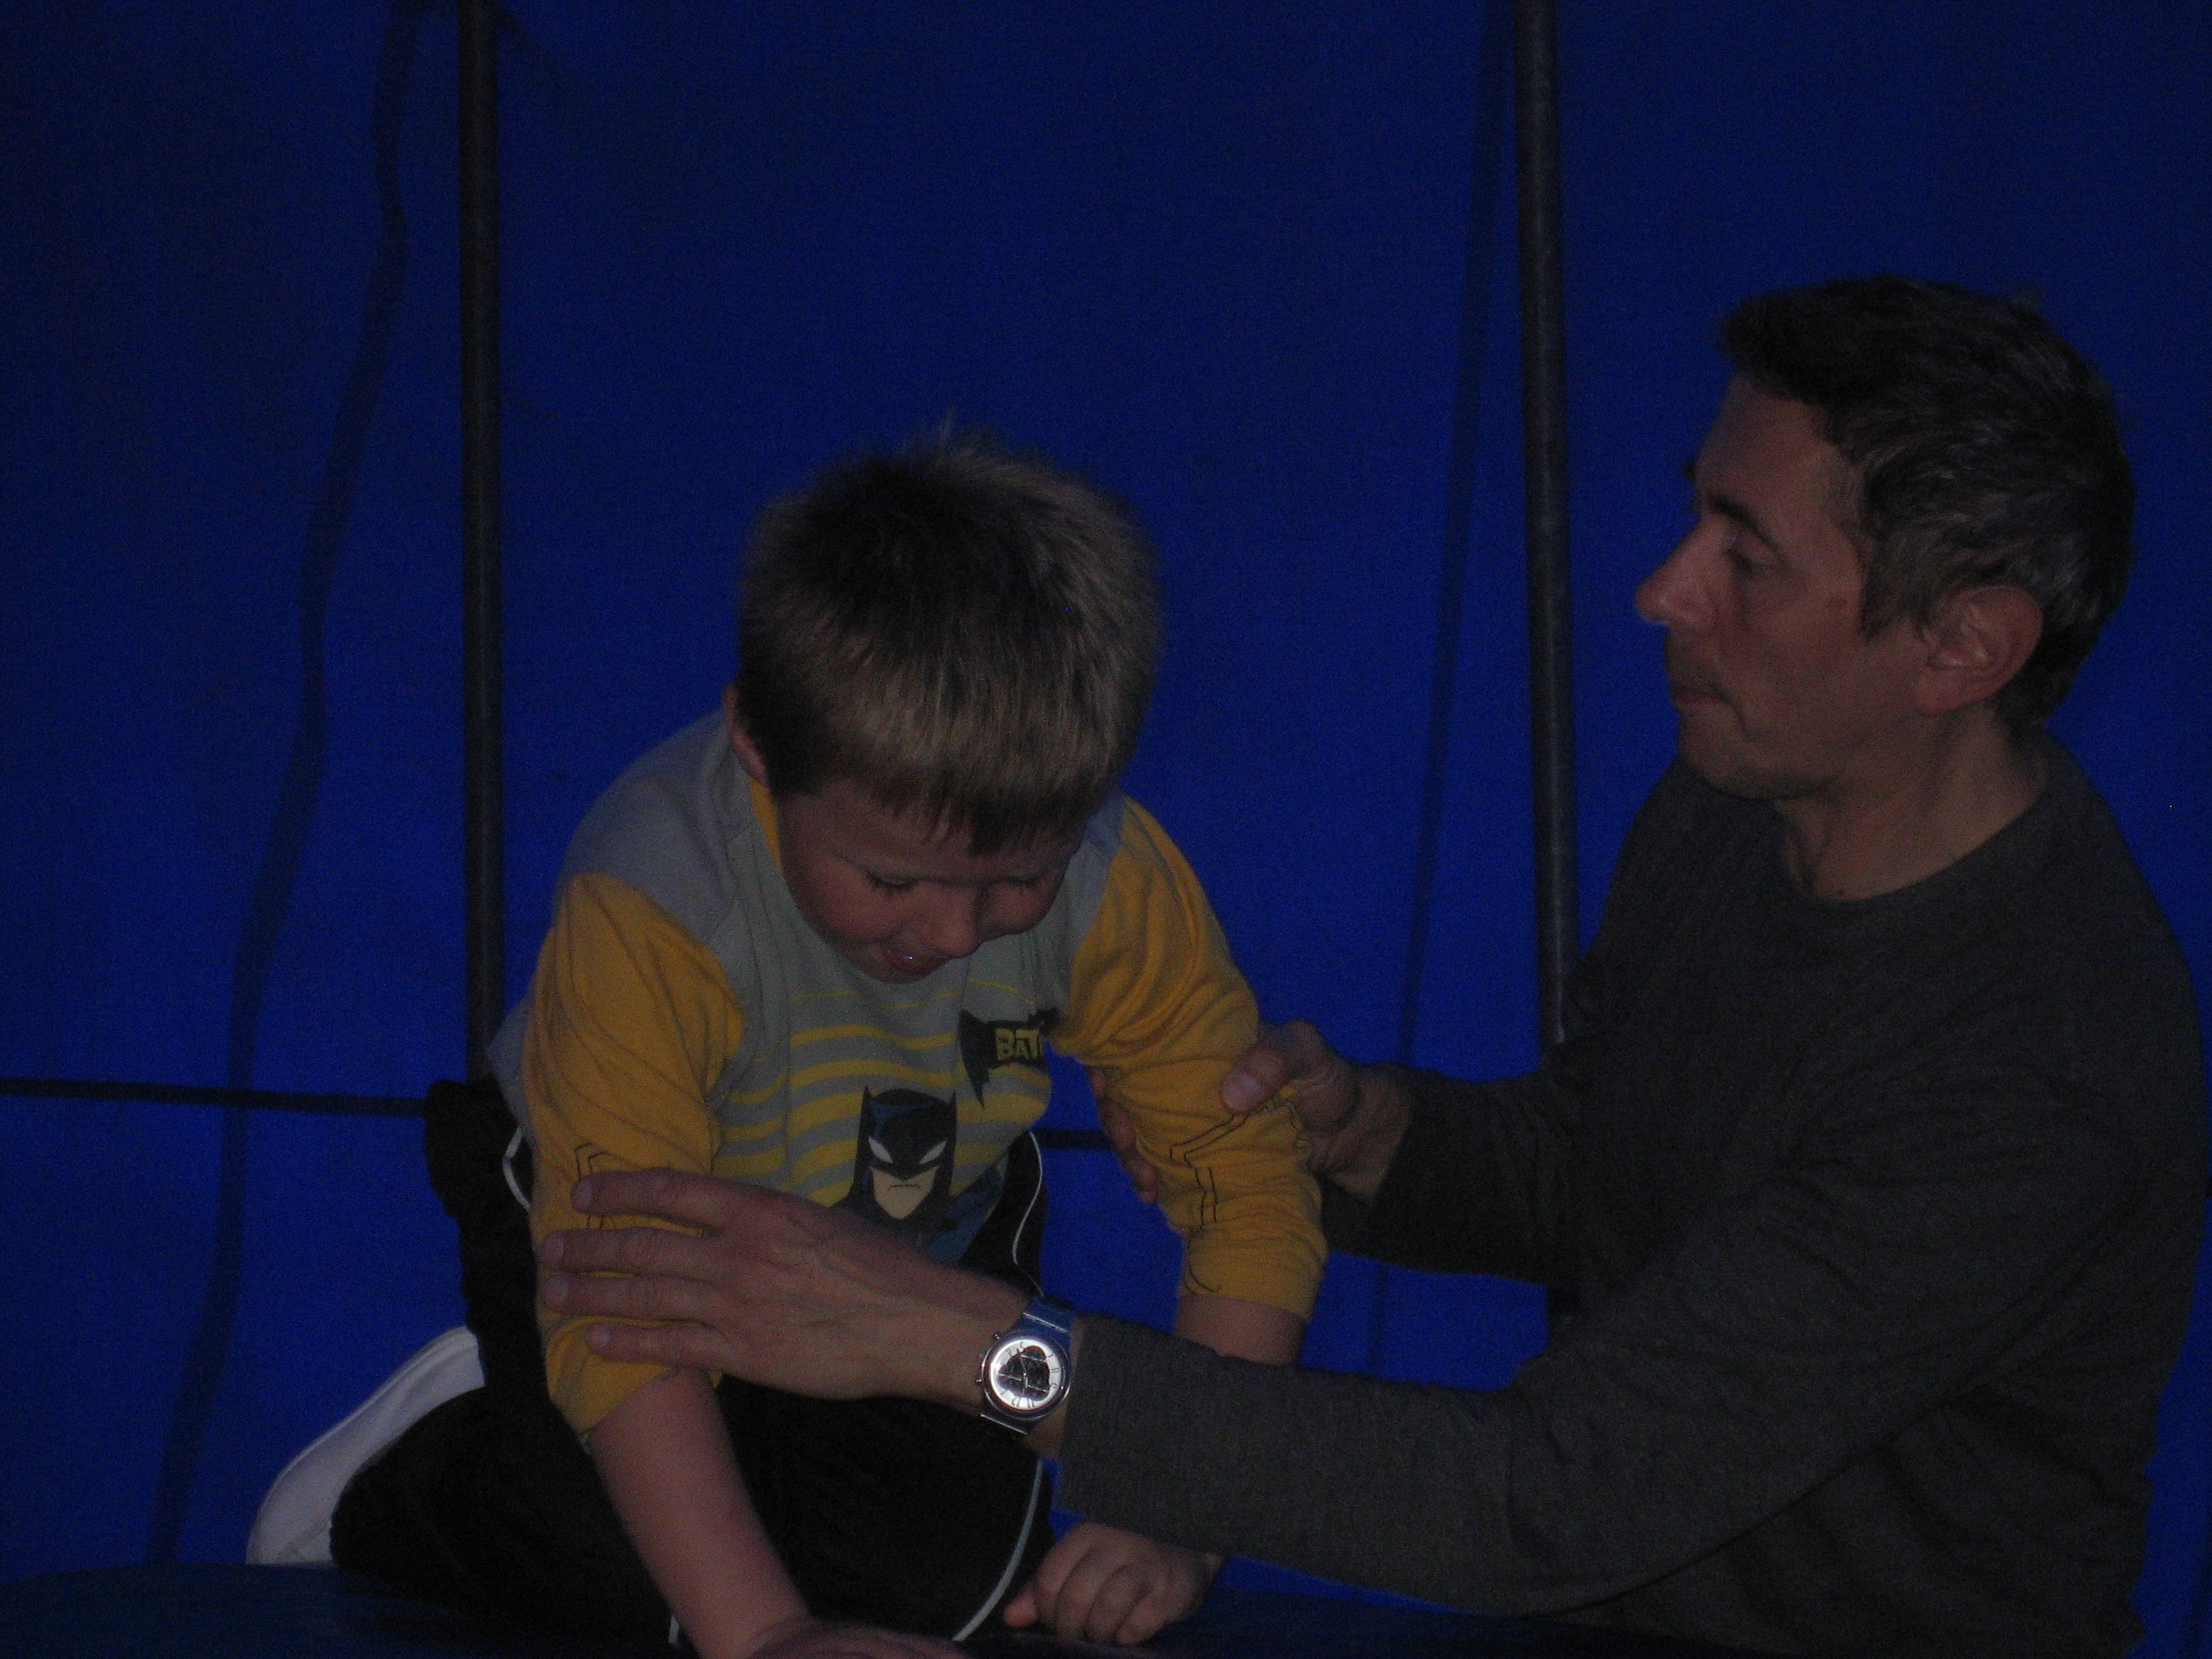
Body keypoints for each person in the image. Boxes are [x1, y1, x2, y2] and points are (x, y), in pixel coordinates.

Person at [528, 278, 2207, 1659]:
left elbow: (1539, 1501)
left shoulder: (2038, 1069)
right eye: (1694, 512)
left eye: (1743, 554)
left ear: (1960, 645)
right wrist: (1382, 1141)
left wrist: (978, 1345)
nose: (1660, 589)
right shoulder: (1734, 809)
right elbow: (1618, 1166)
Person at [325, 436, 1325, 1658]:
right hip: (619, 1211)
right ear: (757, 743)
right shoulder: (657, 905)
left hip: (908, 1199)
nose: (954, 933)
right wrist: (768, 1637)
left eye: (1021, 877)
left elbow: (1250, 1186)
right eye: (893, 879)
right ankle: (429, 1460)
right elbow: (620, 1310)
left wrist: (1186, 1515)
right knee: (634, 1587)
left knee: (952, 1590)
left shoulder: (1117, 882)